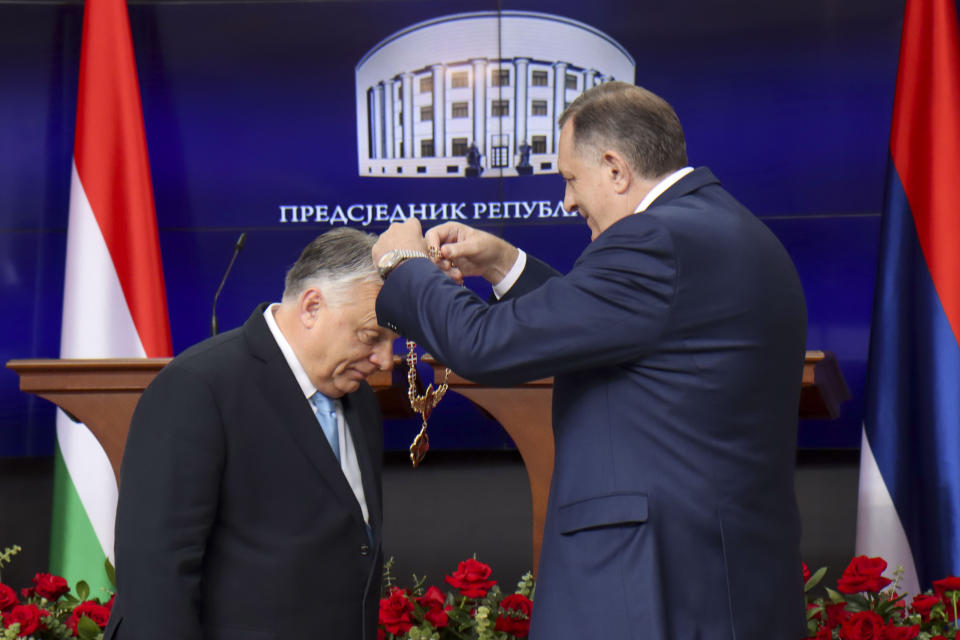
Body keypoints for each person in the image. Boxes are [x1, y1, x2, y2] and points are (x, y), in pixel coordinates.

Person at [372, 82, 807, 639]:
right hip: (722, 584)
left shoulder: (657, 240)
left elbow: (483, 344)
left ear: (616, 169)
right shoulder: (730, 232)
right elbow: (612, 328)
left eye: (571, 179)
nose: (568, 201)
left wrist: (407, 266)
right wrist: (504, 264)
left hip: (651, 589)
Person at [104, 228, 395, 640]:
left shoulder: (359, 398)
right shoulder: (198, 386)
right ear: (312, 306)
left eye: (392, 341)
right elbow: (156, 572)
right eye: (372, 337)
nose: (384, 359)